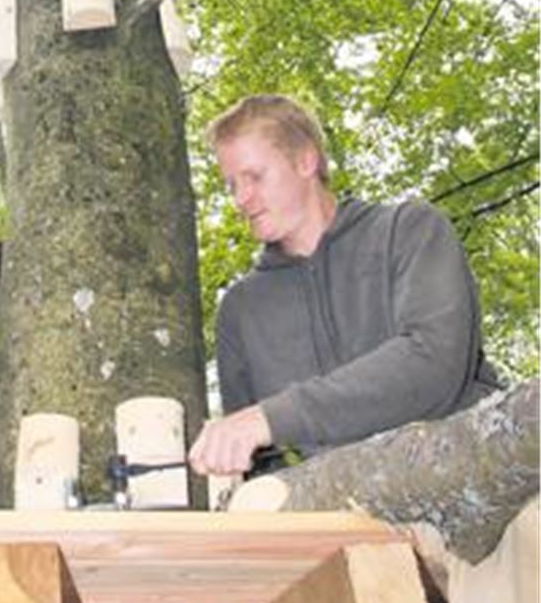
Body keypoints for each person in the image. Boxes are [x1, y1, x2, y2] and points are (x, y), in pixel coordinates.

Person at [188, 94, 501, 479]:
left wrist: (271, 418)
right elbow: (259, 464)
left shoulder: (409, 231)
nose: (240, 198)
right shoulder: (241, 309)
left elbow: (435, 361)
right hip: (342, 511)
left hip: (479, 479)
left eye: (253, 177)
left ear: (306, 160)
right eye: (231, 185)